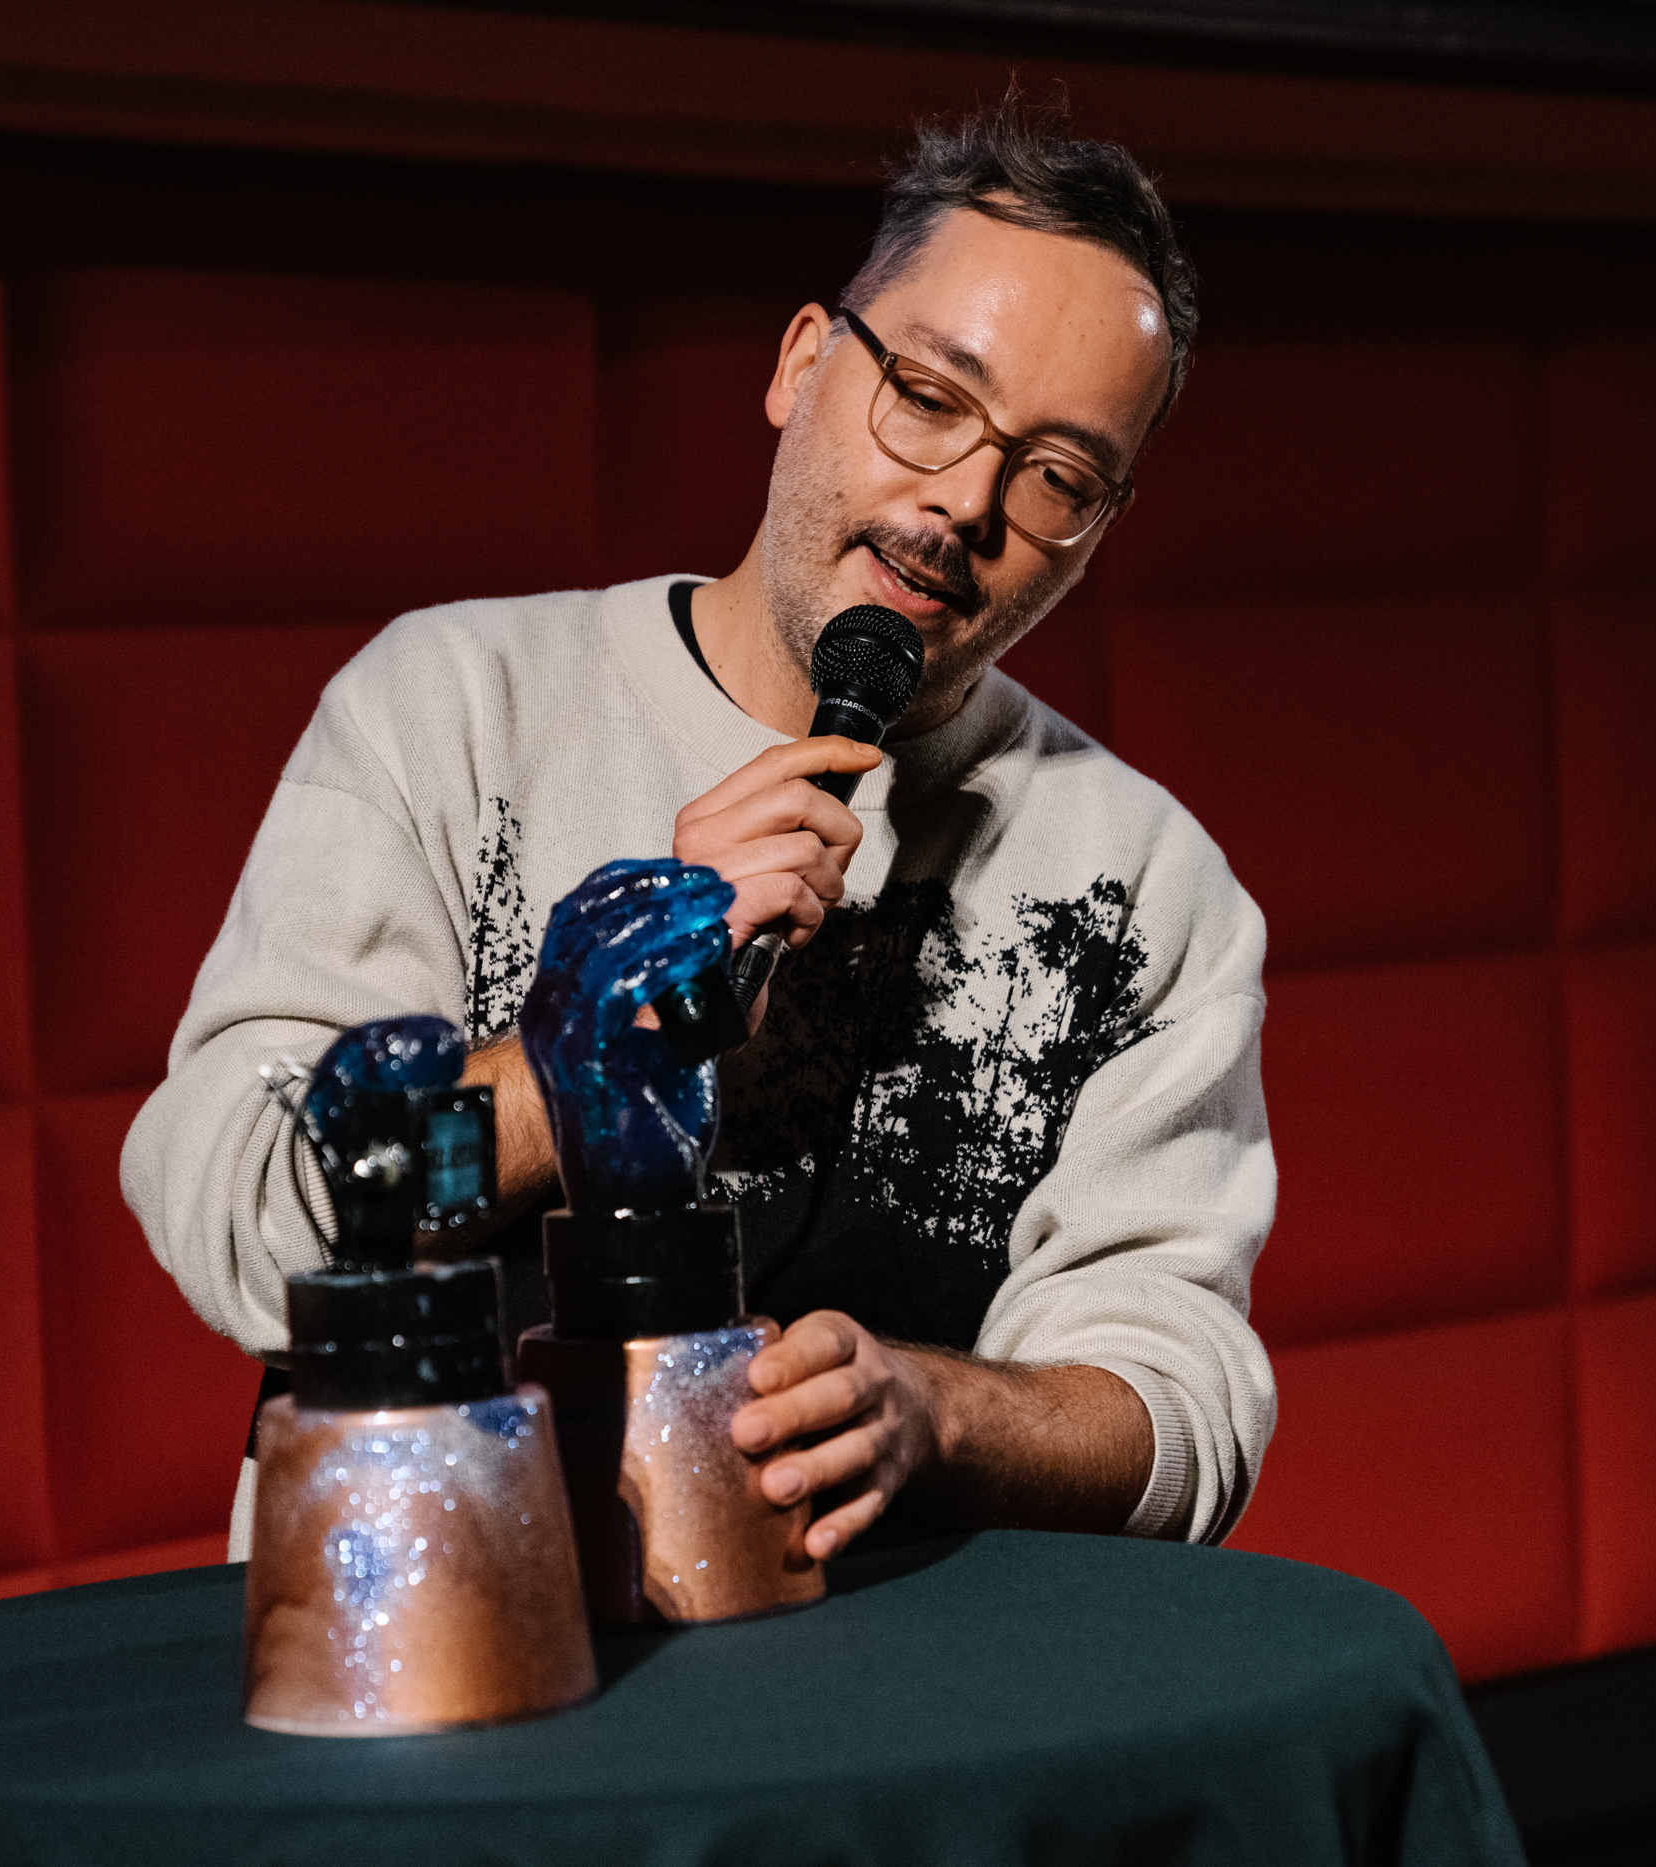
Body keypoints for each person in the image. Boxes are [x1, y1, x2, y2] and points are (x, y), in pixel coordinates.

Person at [123, 91, 1277, 1561]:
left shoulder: (1148, 886)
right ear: (802, 364)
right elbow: (244, 1220)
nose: (963, 503)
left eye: (1057, 477)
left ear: (1099, 528)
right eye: (929, 398)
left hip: (886, 1673)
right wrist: (570, 1062)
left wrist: (932, 1414)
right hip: (438, 1633)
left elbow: (1184, 1414)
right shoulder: (453, 705)